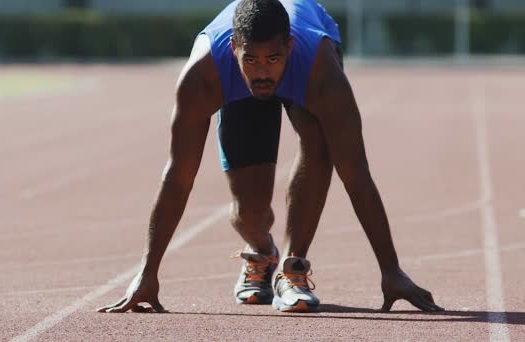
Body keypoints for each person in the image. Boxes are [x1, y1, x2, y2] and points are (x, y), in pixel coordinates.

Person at [98, 0, 444, 313]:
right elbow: (179, 176)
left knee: (320, 143)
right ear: (234, 49)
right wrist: (148, 271)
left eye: (273, 59)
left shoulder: (320, 71)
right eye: (251, 60)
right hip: (241, 78)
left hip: (307, 63)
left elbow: (355, 173)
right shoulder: (204, 75)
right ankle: (263, 250)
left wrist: (391, 270)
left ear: (289, 48)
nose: (263, 72)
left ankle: (293, 267)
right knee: (250, 211)